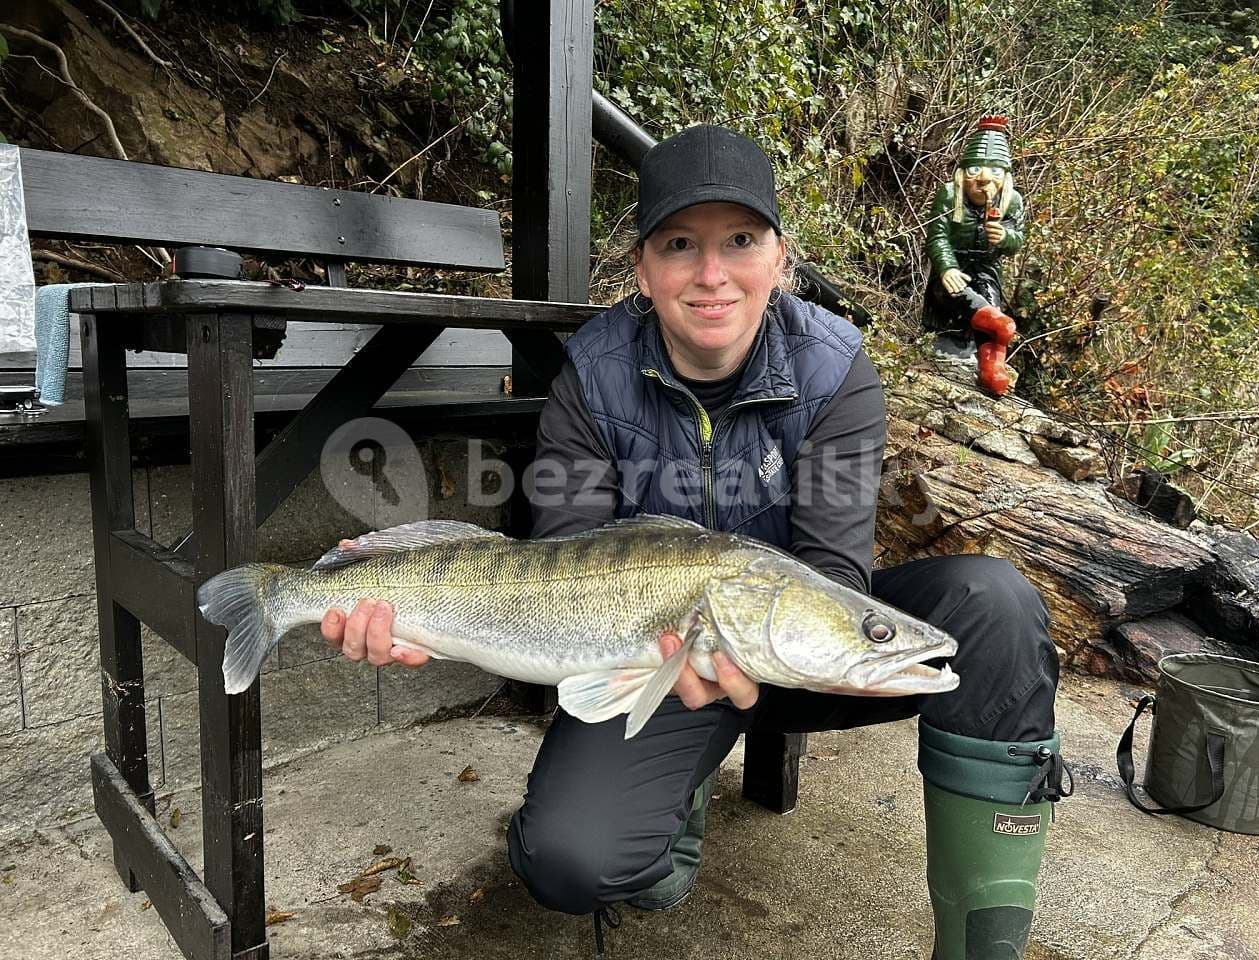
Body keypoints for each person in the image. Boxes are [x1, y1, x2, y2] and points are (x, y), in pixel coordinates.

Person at [320, 124, 1070, 960]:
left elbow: (831, 570)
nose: (712, 274)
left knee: (995, 608)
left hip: (801, 648)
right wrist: (422, 616)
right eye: (681, 245)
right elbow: (560, 570)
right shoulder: (592, 376)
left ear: (779, 259)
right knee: (568, 860)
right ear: (643, 269)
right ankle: (672, 807)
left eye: (740, 241)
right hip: (658, 661)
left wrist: (796, 637)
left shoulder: (835, 369)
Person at [922, 115, 1026, 396]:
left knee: (988, 301)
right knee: (956, 292)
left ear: (1004, 177)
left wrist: (1004, 237)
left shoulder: (1012, 201)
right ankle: (996, 323)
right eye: (976, 170)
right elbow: (938, 235)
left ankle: (992, 365)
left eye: (994, 172)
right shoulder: (948, 194)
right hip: (954, 266)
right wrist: (946, 267)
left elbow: (1018, 240)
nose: (983, 180)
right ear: (963, 173)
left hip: (986, 268)